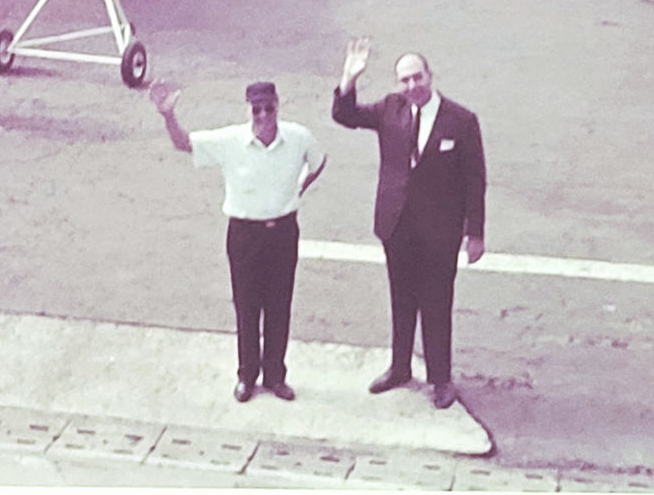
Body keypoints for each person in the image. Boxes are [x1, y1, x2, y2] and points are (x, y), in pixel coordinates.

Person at [332, 39, 486, 410]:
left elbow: (475, 178)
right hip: (397, 225)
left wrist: (475, 232)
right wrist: (349, 79)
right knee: (401, 300)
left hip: (440, 231)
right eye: (405, 80)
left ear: (430, 76)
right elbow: (346, 116)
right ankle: (399, 367)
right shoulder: (390, 109)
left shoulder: (460, 120)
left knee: (437, 303)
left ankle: (440, 379)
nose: (412, 86)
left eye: (417, 77)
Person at [153, 80, 326, 403]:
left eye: (268, 108)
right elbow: (184, 144)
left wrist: (298, 188)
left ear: (278, 105)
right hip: (245, 234)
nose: (263, 116)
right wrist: (168, 115)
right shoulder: (231, 140)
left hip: (283, 232)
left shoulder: (298, 137)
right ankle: (247, 375)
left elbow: (318, 160)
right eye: (256, 109)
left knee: (279, 306)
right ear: (248, 109)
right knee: (247, 307)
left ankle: (275, 375)